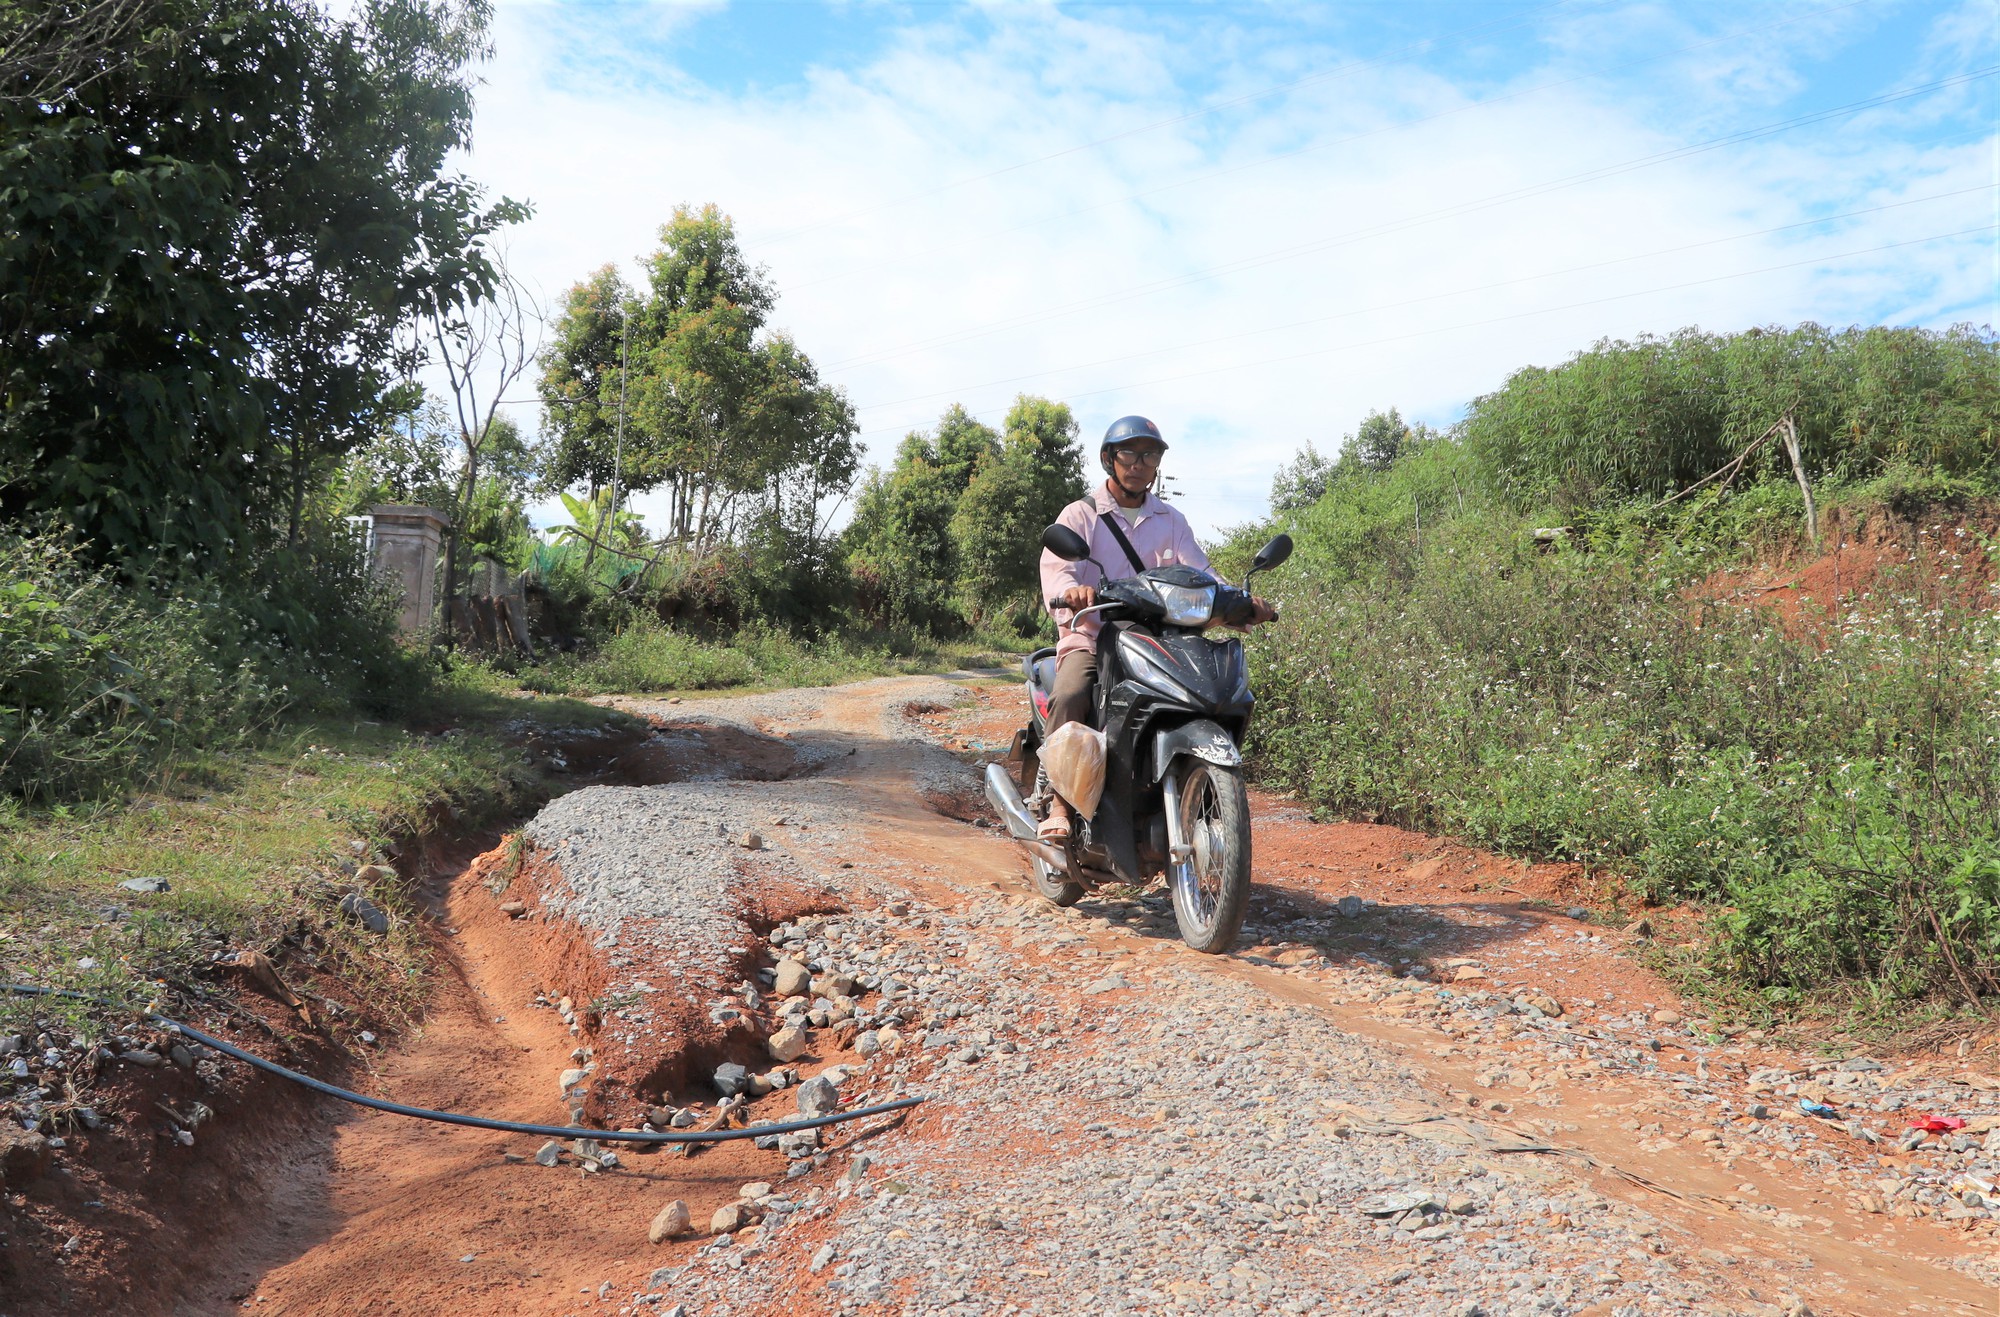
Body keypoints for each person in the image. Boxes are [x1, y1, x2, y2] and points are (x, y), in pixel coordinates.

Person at [1035, 415, 1276, 841]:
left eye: (1150, 454)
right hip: (1092, 634)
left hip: (1158, 639)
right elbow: (1059, 571)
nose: (1139, 463)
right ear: (1110, 459)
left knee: (1209, 691)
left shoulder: (1171, 520)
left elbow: (1201, 571)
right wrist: (1073, 592)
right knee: (1073, 690)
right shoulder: (1081, 516)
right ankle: (1060, 801)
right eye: (1129, 453)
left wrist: (1239, 601)